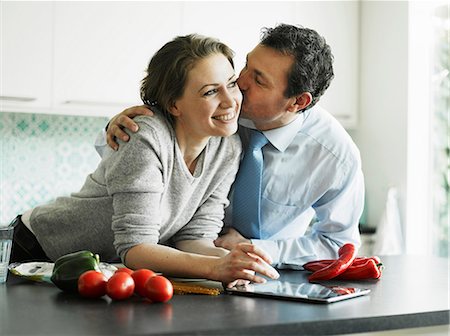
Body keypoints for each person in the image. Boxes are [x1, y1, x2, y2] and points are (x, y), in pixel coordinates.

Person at [10, 34, 280, 286]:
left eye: (231, 84)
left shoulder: (228, 146)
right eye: (210, 91)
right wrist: (213, 268)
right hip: (33, 250)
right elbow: (136, 249)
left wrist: (232, 263)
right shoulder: (145, 137)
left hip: (92, 268)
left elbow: (194, 236)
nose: (230, 101)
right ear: (174, 104)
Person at [101, 24, 365, 269]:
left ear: (298, 102)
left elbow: (339, 245)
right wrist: (126, 124)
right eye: (247, 66)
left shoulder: (334, 157)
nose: (240, 83)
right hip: (173, 262)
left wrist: (256, 250)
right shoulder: (223, 114)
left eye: (259, 80)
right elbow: (132, 160)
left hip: (243, 271)